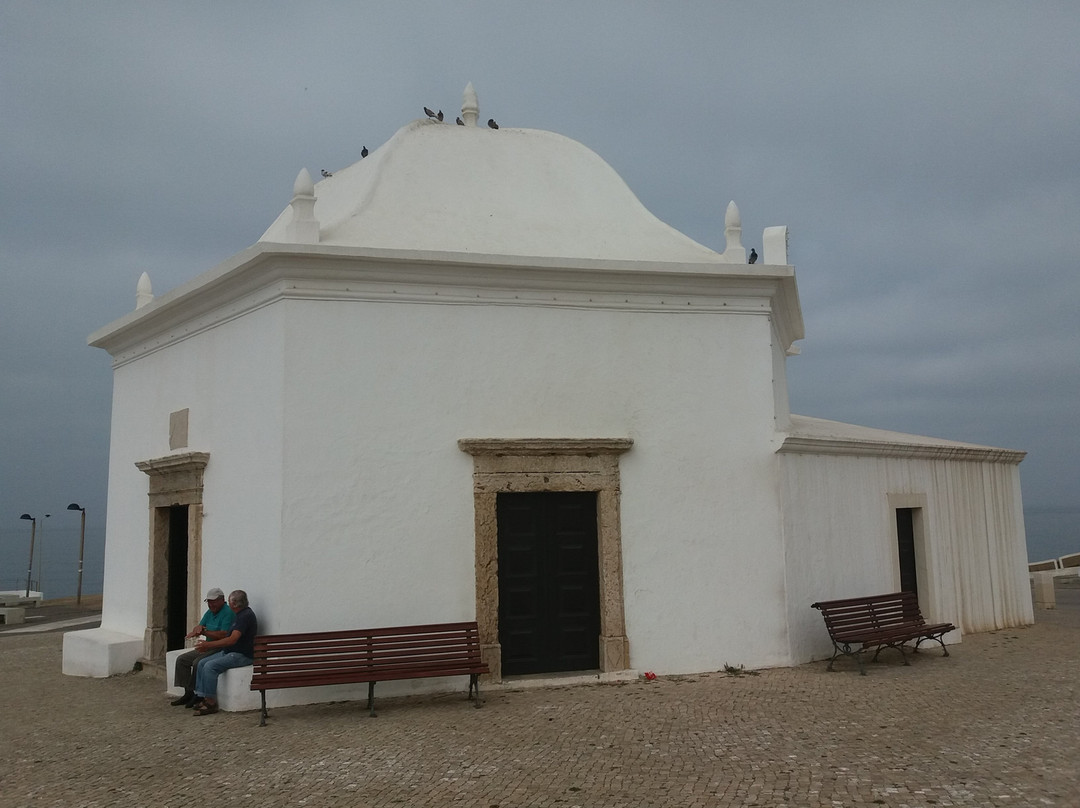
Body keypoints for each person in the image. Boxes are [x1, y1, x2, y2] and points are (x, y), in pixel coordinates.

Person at [190, 589, 257, 716]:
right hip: (231, 652)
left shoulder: (244, 617)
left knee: (210, 666)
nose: (228, 605)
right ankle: (203, 697)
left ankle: (211, 703)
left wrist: (208, 644)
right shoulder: (240, 615)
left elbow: (232, 639)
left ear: (235, 604)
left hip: (241, 655)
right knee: (202, 662)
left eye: (230, 602)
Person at [170, 587, 235, 707]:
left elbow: (223, 634)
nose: (211, 604)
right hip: (207, 646)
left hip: (218, 647)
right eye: (209, 601)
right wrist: (197, 630)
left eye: (214, 601)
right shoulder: (210, 612)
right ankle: (188, 692)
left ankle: (198, 695)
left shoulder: (227, 613)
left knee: (197, 662)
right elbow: (199, 626)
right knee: (182, 660)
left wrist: (204, 632)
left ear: (222, 600)